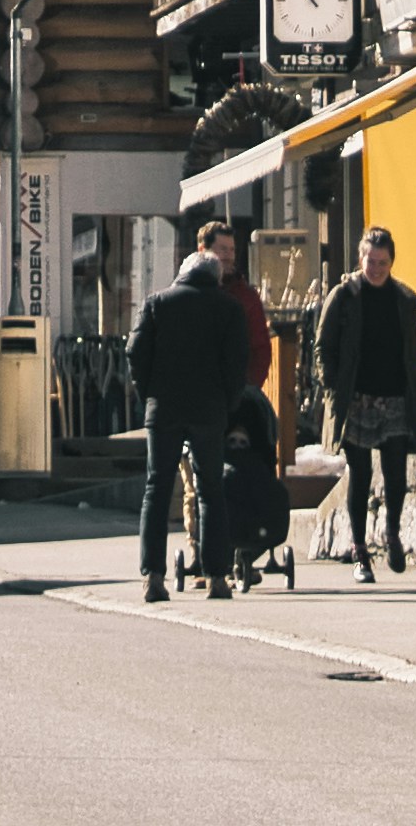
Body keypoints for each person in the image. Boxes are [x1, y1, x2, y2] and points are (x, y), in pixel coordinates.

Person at [129, 242, 247, 604]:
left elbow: (135, 351)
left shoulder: (157, 303)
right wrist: (228, 401)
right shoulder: (229, 308)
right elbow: (237, 361)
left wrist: (148, 392)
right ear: (215, 277)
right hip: (209, 410)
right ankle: (216, 576)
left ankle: (153, 576)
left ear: (182, 272)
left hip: (163, 408)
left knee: (157, 488)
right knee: (211, 489)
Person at [316, 227, 416, 583]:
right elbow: (324, 346)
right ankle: (360, 551)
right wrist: (332, 385)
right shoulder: (344, 296)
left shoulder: (404, 300)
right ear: (360, 259)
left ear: (391, 261)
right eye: (371, 261)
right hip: (356, 399)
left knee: (396, 474)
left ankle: (392, 532)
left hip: (395, 397)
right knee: (360, 476)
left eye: (382, 262)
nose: (376, 268)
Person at [210, 220, 275, 398]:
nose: (229, 256)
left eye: (232, 250)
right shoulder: (189, 294)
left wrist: (248, 389)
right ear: (203, 250)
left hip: (235, 396)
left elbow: (261, 349)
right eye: (222, 249)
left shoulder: (246, 297)